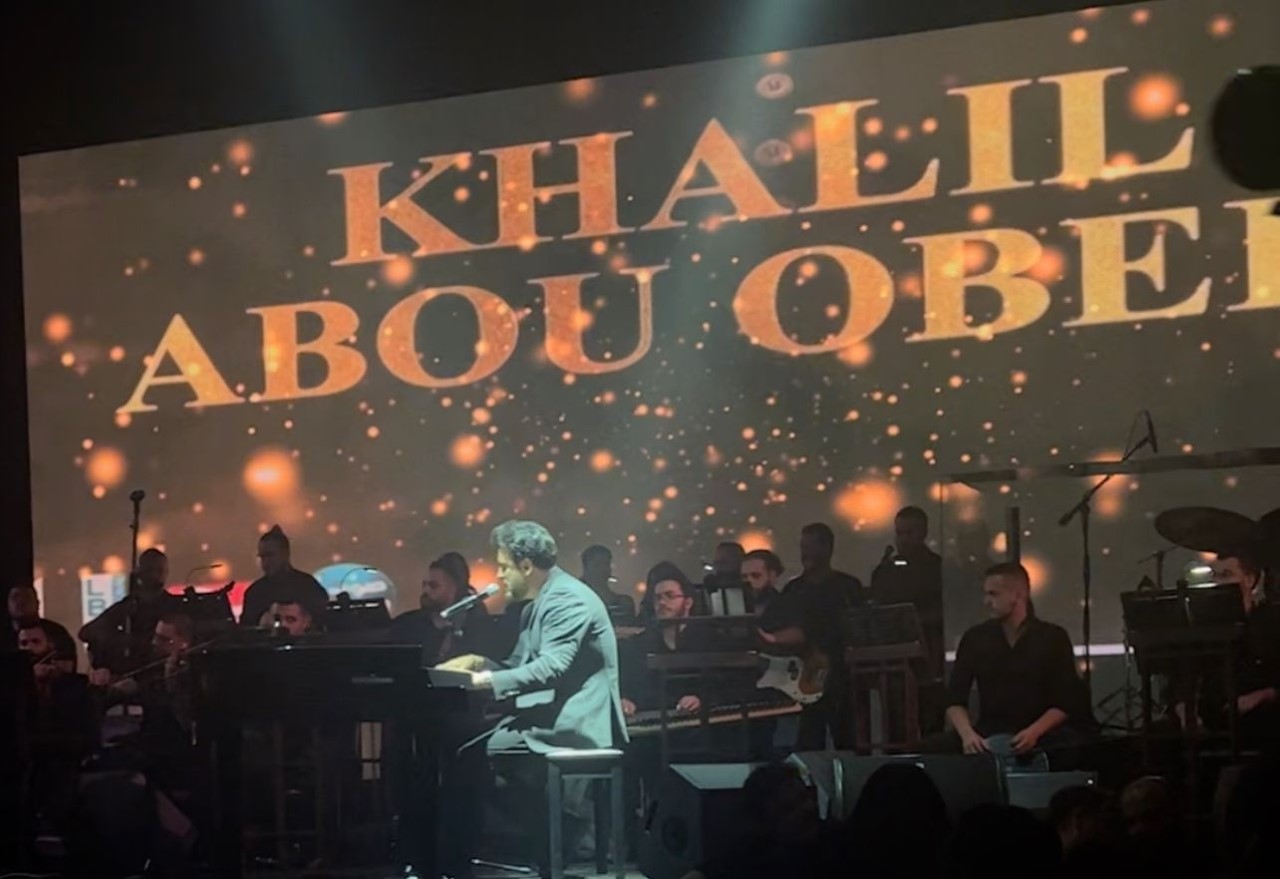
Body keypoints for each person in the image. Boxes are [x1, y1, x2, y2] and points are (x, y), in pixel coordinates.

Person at [436, 520, 626, 875]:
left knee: (473, 755)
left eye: (503, 566)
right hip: (550, 716)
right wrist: (479, 663)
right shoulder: (540, 602)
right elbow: (519, 666)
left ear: (525, 566)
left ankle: (551, 836)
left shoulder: (567, 598)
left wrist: (485, 681)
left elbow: (551, 667)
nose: (499, 575)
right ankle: (544, 838)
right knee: (465, 752)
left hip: (576, 724)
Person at [940, 562, 1089, 759]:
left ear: (1018, 595)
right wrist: (968, 735)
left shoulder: (1052, 637)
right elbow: (954, 699)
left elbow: (1066, 701)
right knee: (930, 749)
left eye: (994, 594)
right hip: (987, 734)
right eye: (986, 594)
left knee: (1072, 745)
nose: (986, 601)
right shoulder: (975, 638)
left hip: (1041, 735)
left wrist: (1034, 732)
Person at [759, 523, 862, 750]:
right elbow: (775, 627)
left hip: (841, 676)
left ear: (828, 548)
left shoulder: (847, 587)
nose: (806, 553)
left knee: (847, 739)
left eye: (812, 547)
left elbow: (859, 630)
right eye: (803, 547)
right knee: (808, 741)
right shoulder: (794, 589)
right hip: (802, 677)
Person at [870, 506, 945, 681]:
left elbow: (948, 612)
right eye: (899, 533)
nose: (903, 539)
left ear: (923, 533)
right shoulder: (886, 571)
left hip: (930, 653)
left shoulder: (939, 569)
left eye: (909, 533)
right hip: (891, 657)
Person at [620, 568, 704, 719]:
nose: (662, 602)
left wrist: (700, 699)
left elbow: (723, 686)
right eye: (657, 598)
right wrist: (626, 700)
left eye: (670, 596)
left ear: (688, 602)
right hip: (650, 724)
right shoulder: (637, 645)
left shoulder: (707, 640)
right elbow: (627, 687)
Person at [389, 553, 498, 662]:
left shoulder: (477, 626)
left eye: (433, 586)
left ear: (454, 588)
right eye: (424, 585)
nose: (426, 590)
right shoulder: (409, 624)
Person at [79, 548, 171, 674]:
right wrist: (122, 641)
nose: (154, 575)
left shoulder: (175, 605)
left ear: (166, 572)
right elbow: (86, 633)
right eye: (150, 570)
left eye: (159, 570)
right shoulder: (127, 606)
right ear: (140, 572)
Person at [240, 526, 329, 629]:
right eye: (263, 557)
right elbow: (246, 630)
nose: (266, 562)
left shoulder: (308, 587)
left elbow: (322, 625)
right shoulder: (255, 593)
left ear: (285, 554)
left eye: (270, 555)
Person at [7, 583, 74, 653]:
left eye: (27, 597)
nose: (20, 601)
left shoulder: (57, 633)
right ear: (8, 604)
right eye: (15, 597)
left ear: (37, 603)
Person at [581, 544, 636, 623]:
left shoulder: (623, 604)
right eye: (597, 565)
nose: (602, 570)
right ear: (586, 568)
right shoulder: (573, 600)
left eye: (606, 564)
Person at [741, 549, 784, 614]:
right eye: (744, 577)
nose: (749, 580)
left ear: (772, 575)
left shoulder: (785, 607)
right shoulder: (736, 606)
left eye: (756, 575)